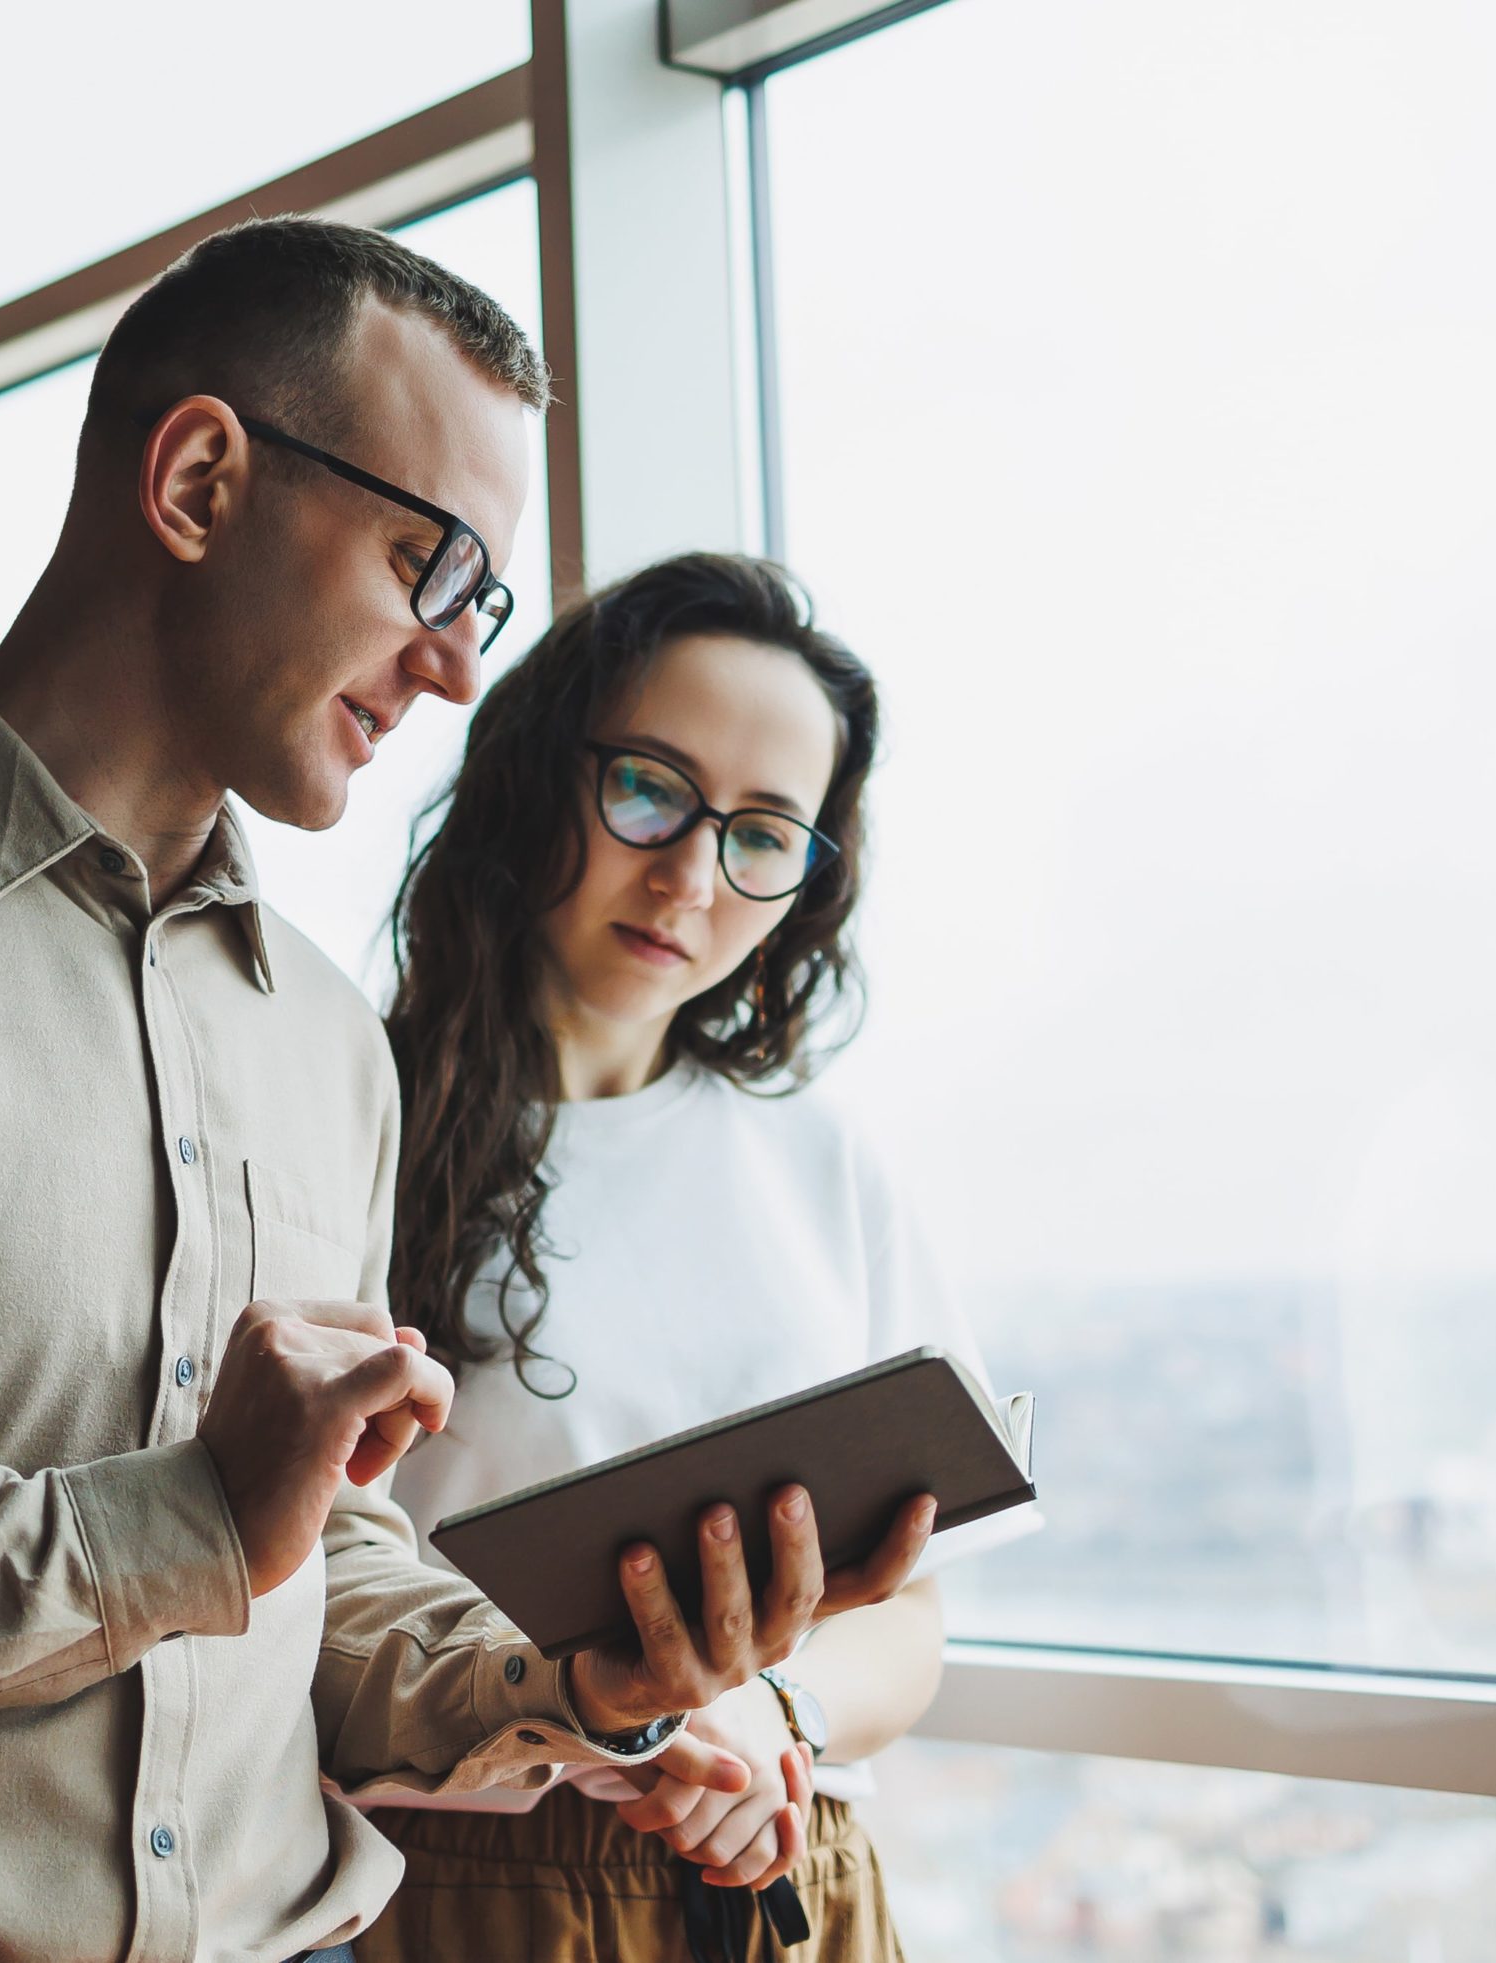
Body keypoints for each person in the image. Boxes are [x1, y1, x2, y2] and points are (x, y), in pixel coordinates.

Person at [0, 223, 931, 1963]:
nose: (450, 666)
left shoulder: (321, 1045)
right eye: (426, 568)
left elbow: (310, 1574)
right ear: (201, 478)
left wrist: (564, 1683)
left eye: (480, 605)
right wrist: (179, 1522)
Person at [359, 554, 987, 1963]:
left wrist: (772, 1714)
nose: (691, 878)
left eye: (763, 835)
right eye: (647, 789)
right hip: (469, 1882)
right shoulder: (341, 1127)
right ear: (535, 776)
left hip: (794, 1872)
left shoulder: (820, 1161)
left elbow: (918, 1612)